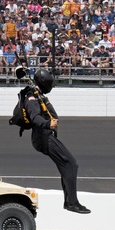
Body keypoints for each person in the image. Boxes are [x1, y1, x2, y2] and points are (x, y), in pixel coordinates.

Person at [23, 69, 90, 214]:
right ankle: (72, 203)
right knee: (71, 164)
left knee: (67, 165)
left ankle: (70, 201)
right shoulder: (32, 96)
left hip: (47, 136)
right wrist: (48, 125)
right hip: (43, 137)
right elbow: (34, 117)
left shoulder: (38, 94)